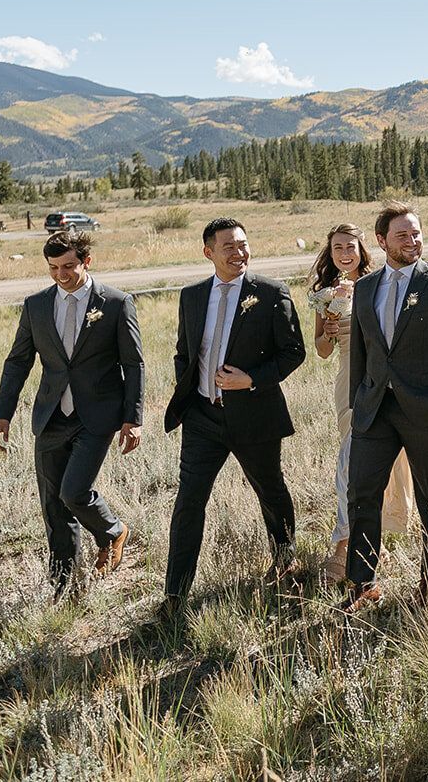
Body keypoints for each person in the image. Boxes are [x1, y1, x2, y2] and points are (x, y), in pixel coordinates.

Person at [160, 218, 307, 617]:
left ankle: (284, 558)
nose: (238, 252)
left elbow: (294, 352)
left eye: (243, 244)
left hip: (254, 416)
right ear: (208, 252)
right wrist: (190, 392)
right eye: (228, 246)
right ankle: (175, 594)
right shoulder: (191, 296)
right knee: (189, 501)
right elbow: (183, 352)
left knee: (271, 491)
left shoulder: (272, 294)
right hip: (203, 419)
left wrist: (251, 380)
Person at [343, 204, 428, 611]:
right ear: (381, 240)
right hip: (374, 409)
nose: (413, 241)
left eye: (417, 233)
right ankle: (363, 582)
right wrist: (358, 399)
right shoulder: (366, 288)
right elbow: (362, 350)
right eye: (403, 235)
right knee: (361, 493)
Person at [0, 229, 142, 599]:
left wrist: (133, 417)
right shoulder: (36, 306)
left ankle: (112, 531)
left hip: (97, 416)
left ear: (87, 261)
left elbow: (134, 364)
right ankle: (65, 585)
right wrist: (2, 414)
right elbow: (18, 362)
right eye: (54, 267)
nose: (61, 274)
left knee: (73, 492)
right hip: (51, 416)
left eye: (69, 266)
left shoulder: (116, 303)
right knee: (52, 505)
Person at [308, 223, 414, 587]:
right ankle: (362, 538)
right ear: (331, 253)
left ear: (362, 248)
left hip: (380, 382)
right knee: (353, 459)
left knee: (361, 462)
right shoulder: (323, 294)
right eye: (337, 248)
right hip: (346, 382)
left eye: (349, 246)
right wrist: (329, 325)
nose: (343, 254)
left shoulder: (379, 283)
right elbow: (321, 350)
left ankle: (345, 543)